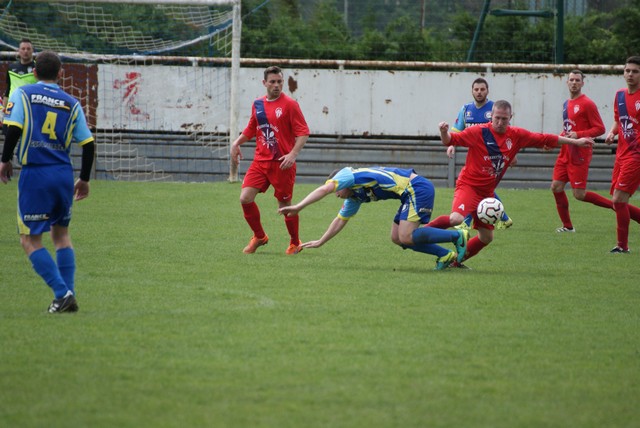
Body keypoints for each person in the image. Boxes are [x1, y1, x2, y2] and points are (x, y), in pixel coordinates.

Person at [429, 100, 594, 268]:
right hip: (469, 186)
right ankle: (420, 233)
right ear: (491, 116)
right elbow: (450, 140)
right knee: (456, 219)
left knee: (486, 237)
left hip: (487, 193)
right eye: (497, 118)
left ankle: (454, 263)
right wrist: (444, 132)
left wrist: (576, 142)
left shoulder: (516, 135)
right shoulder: (478, 132)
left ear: (510, 118)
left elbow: (545, 138)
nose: (500, 122)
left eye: (504, 119)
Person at [0, 51, 95, 313]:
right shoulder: (71, 103)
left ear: (34, 72)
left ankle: (62, 293)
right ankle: (69, 296)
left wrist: (4, 160)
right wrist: (84, 179)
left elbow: (13, 129)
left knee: (29, 240)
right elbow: (88, 143)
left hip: (36, 174)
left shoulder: (23, 93)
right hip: (63, 174)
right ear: (61, 73)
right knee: (61, 235)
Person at [278, 166, 469, 270]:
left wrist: (298, 207)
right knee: (397, 238)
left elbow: (325, 189)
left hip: (417, 188)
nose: (336, 194)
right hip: (408, 194)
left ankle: (457, 235)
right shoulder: (354, 196)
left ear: (341, 182)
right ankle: (445, 255)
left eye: (337, 190)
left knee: (406, 235)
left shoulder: (348, 175)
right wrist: (321, 241)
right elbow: (340, 220)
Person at [230, 66, 310, 255]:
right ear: (264, 83)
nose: (276, 85)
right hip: (260, 162)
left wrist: (292, 154)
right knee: (245, 198)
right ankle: (259, 236)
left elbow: (303, 132)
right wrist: (237, 142)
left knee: (285, 206)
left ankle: (295, 242)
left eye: (279, 82)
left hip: (282, 164)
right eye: (272, 82)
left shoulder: (290, 105)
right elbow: (252, 128)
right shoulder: (258, 104)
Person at [448, 77, 513, 230]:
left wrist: (511, 153)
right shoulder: (466, 109)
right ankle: (504, 218)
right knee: (483, 189)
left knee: (477, 188)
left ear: (487, 91)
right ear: (472, 91)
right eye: (476, 89)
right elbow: (457, 130)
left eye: (482, 89)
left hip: (492, 155)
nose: (479, 92)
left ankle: (466, 221)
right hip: (475, 154)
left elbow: (508, 132)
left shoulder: (495, 109)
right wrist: (451, 145)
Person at [551, 70, 609, 233]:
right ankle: (567, 226)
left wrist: (579, 134)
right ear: (567, 82)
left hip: (580, 154)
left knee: (579, 194)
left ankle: (616, 205)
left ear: (583, 83)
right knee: (556, 187)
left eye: (577, 80)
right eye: (571, 80)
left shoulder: (587, 104)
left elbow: (600, 128)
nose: (574, 83)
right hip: (565, 152)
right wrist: (555, 141)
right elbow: (568, 130)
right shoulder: (566, 104)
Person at [604, 56, 640, 253]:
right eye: (627, 71)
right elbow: (619, 120)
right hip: (621, 154)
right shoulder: (619, 95)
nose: (630, 74)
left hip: (636, 156)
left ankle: (622, 246)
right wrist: (612, 133)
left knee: (618, 200)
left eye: (635, 71)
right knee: (617, 202)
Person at [3, 39, 37, 128]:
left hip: (30, 110)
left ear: (32, 51)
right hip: (12, 109)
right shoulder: (11, 68)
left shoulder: (38, 68)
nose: (26, 51)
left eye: (28, 49)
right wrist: (3, 109)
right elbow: (8, 90)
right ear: (18, 50)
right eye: (23, 48)